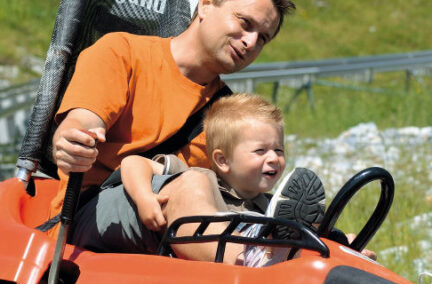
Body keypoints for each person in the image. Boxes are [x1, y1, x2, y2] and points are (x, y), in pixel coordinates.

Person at [48, 0, 296, 262]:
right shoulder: (123, 52)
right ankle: (254, 266)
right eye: (244, 23)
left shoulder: (226, 113)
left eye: (262, 38)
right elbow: (80, 125)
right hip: (88, 213)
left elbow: (242, 190)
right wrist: (72, 143)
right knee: (193, 183)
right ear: (206, 4)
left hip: (174, 225)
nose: (250, 42)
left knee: (233, 201)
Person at [77, 93, 325, 265]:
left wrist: (341, 242)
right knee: (195, 182)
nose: (273, 158)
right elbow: (133, 163)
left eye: (278, 150)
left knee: (293, 228)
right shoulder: (198, 177)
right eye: (260, 151)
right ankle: (247, 257)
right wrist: (144, 198)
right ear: (223, 160)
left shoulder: (270, 207)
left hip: (235, 267)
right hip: (127, 231)